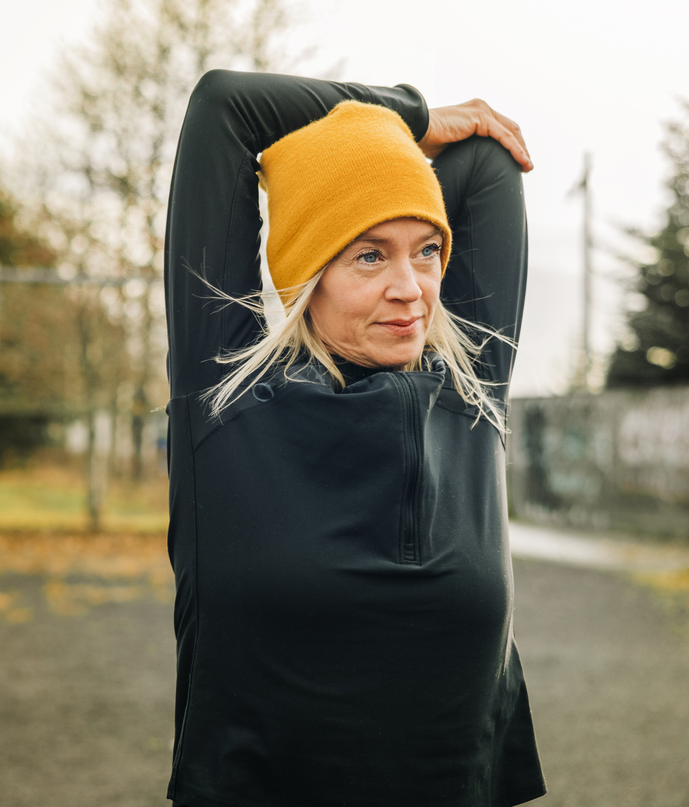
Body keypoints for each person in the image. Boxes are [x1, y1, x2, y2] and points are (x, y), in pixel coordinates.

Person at [162, 69, 544, 807]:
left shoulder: (471, 398)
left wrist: (386, 159)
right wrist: (410, 116)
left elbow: (486, 160)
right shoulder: (226, 403)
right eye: (369, 255)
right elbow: (226, 106)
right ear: (310, 274)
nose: (410, 288)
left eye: (426, 250)